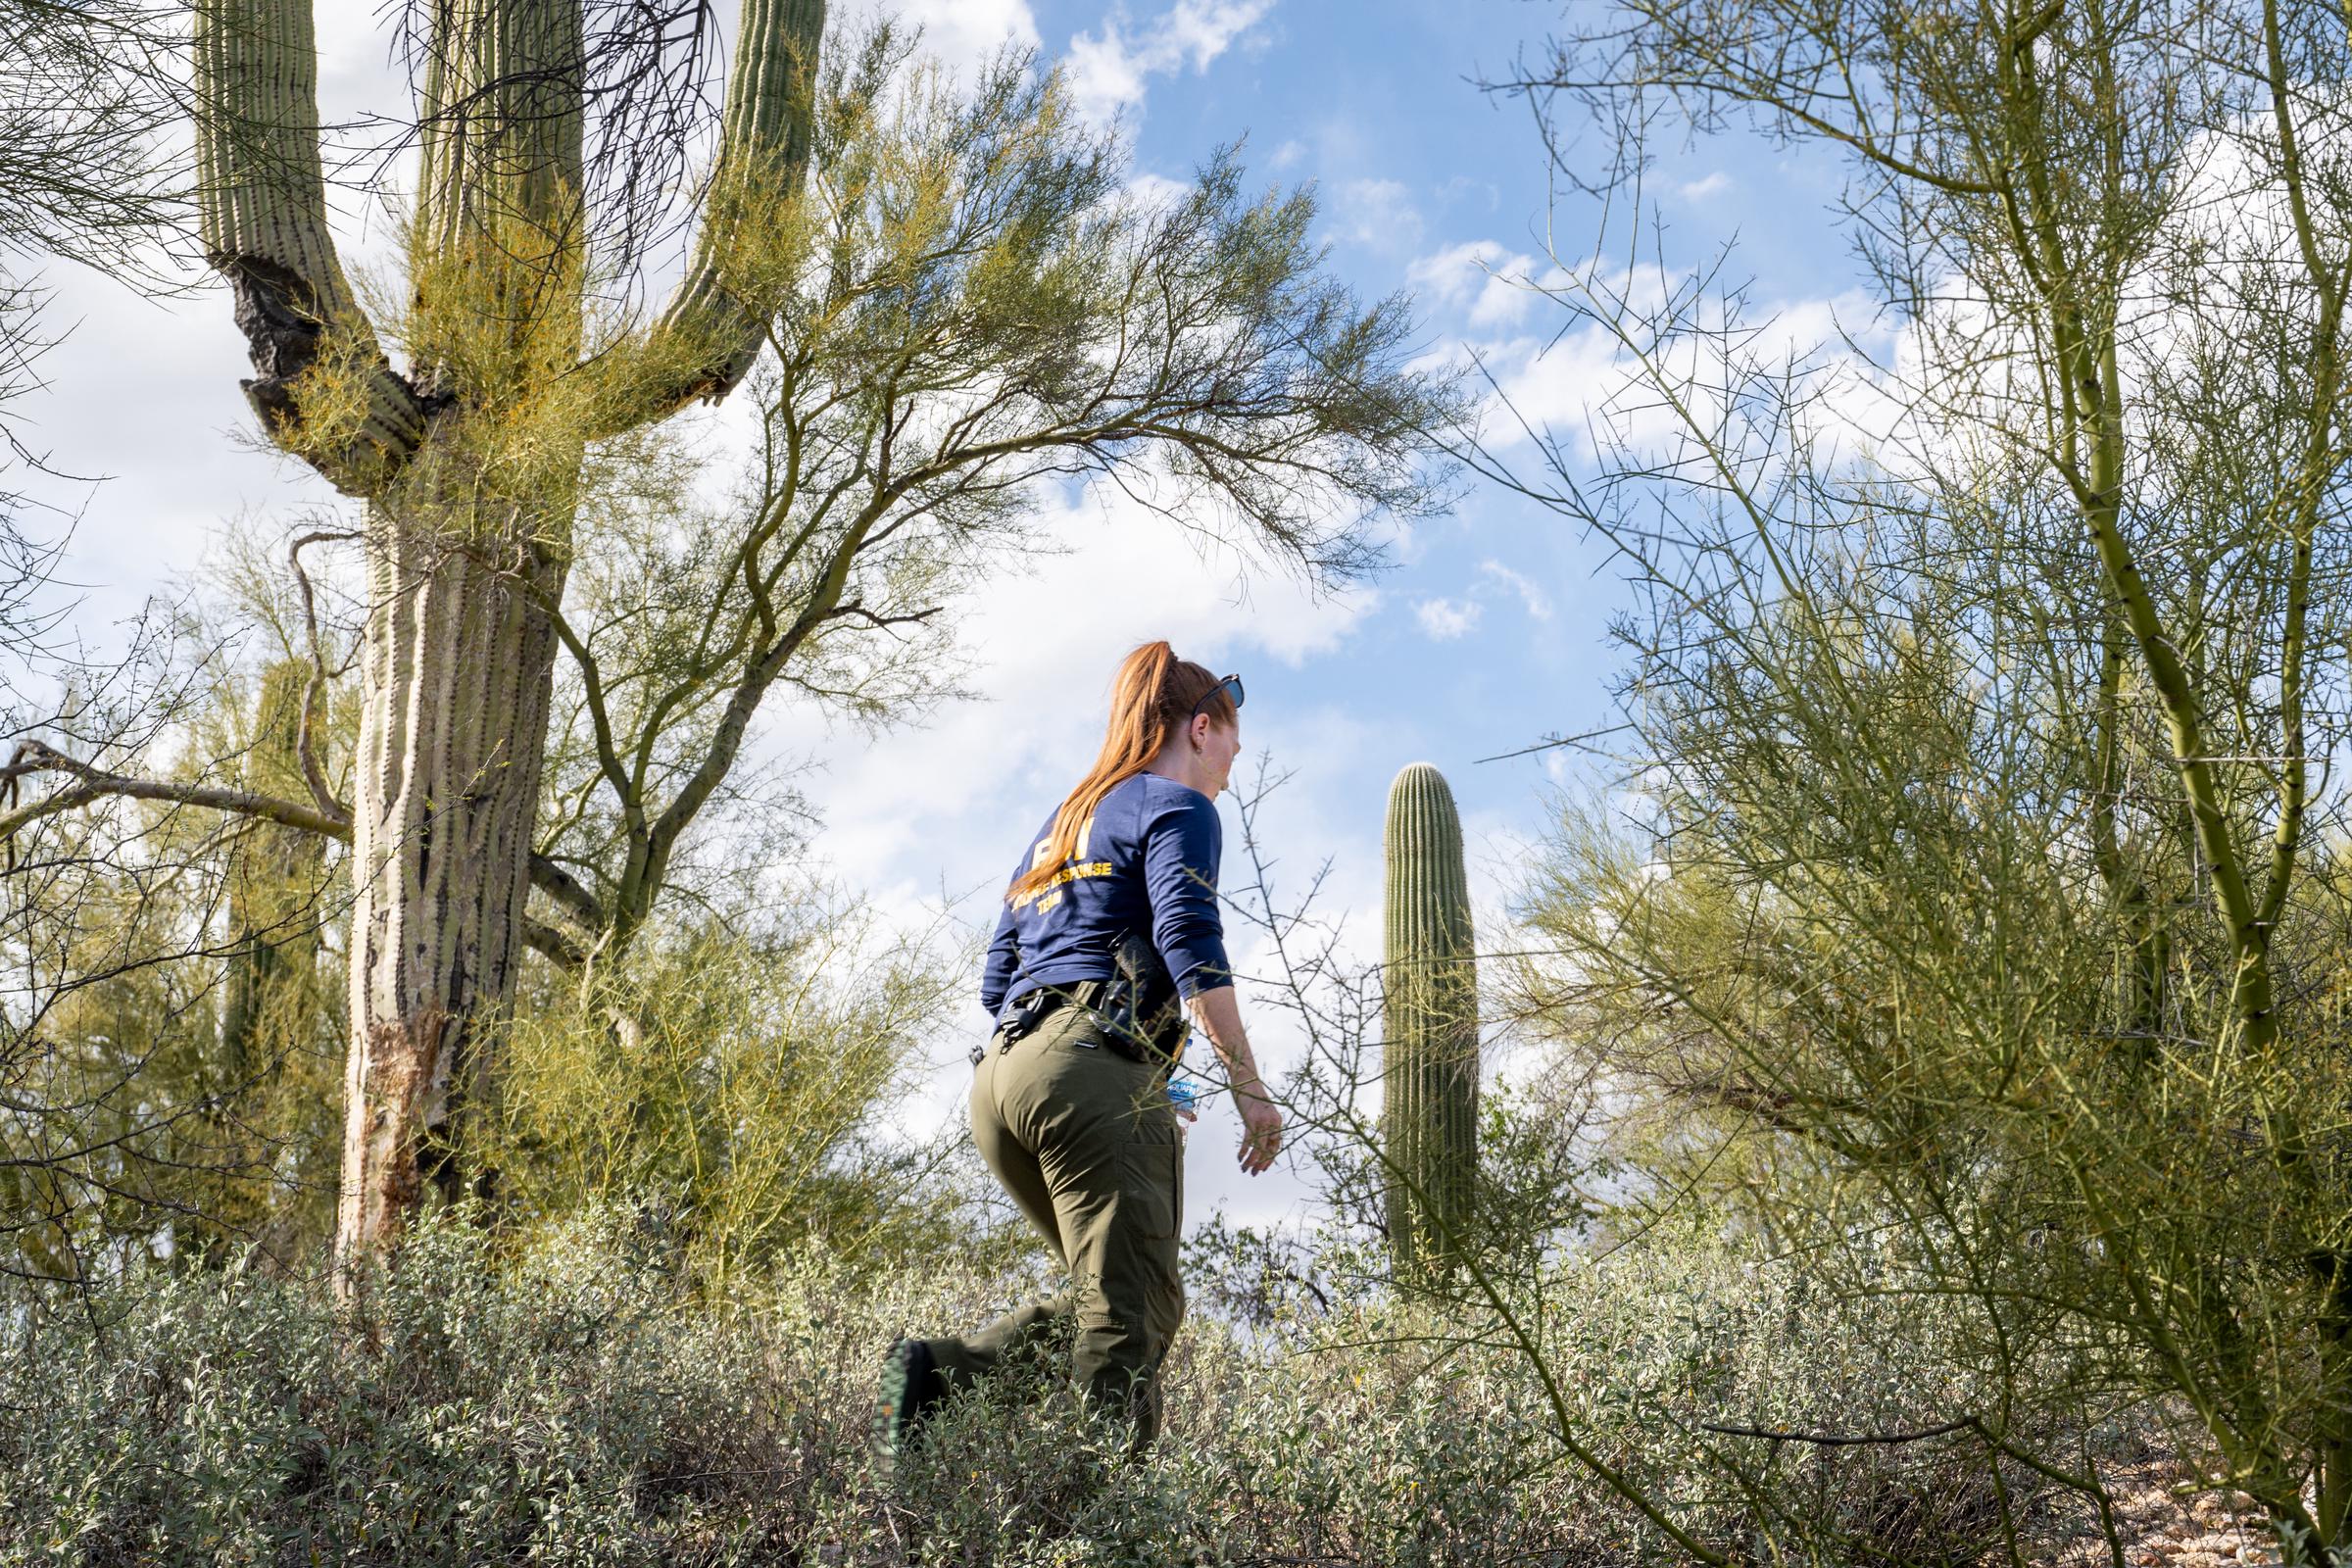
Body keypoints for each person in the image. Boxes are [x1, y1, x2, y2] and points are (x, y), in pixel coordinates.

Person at [875, 642, 1284, 1471]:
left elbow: (998, 979)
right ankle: (1097, 1526)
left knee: (1129, 1299)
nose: (1238, 758)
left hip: (1003, 1080)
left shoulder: (1062, 822)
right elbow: (1188, 942)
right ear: (1201, 728)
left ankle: (941, 1377)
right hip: (1085, 1074)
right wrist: (1250, 1089)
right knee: (1128, 1318)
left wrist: (1136, 1061)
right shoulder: (1179, 807)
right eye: (1233, 737)